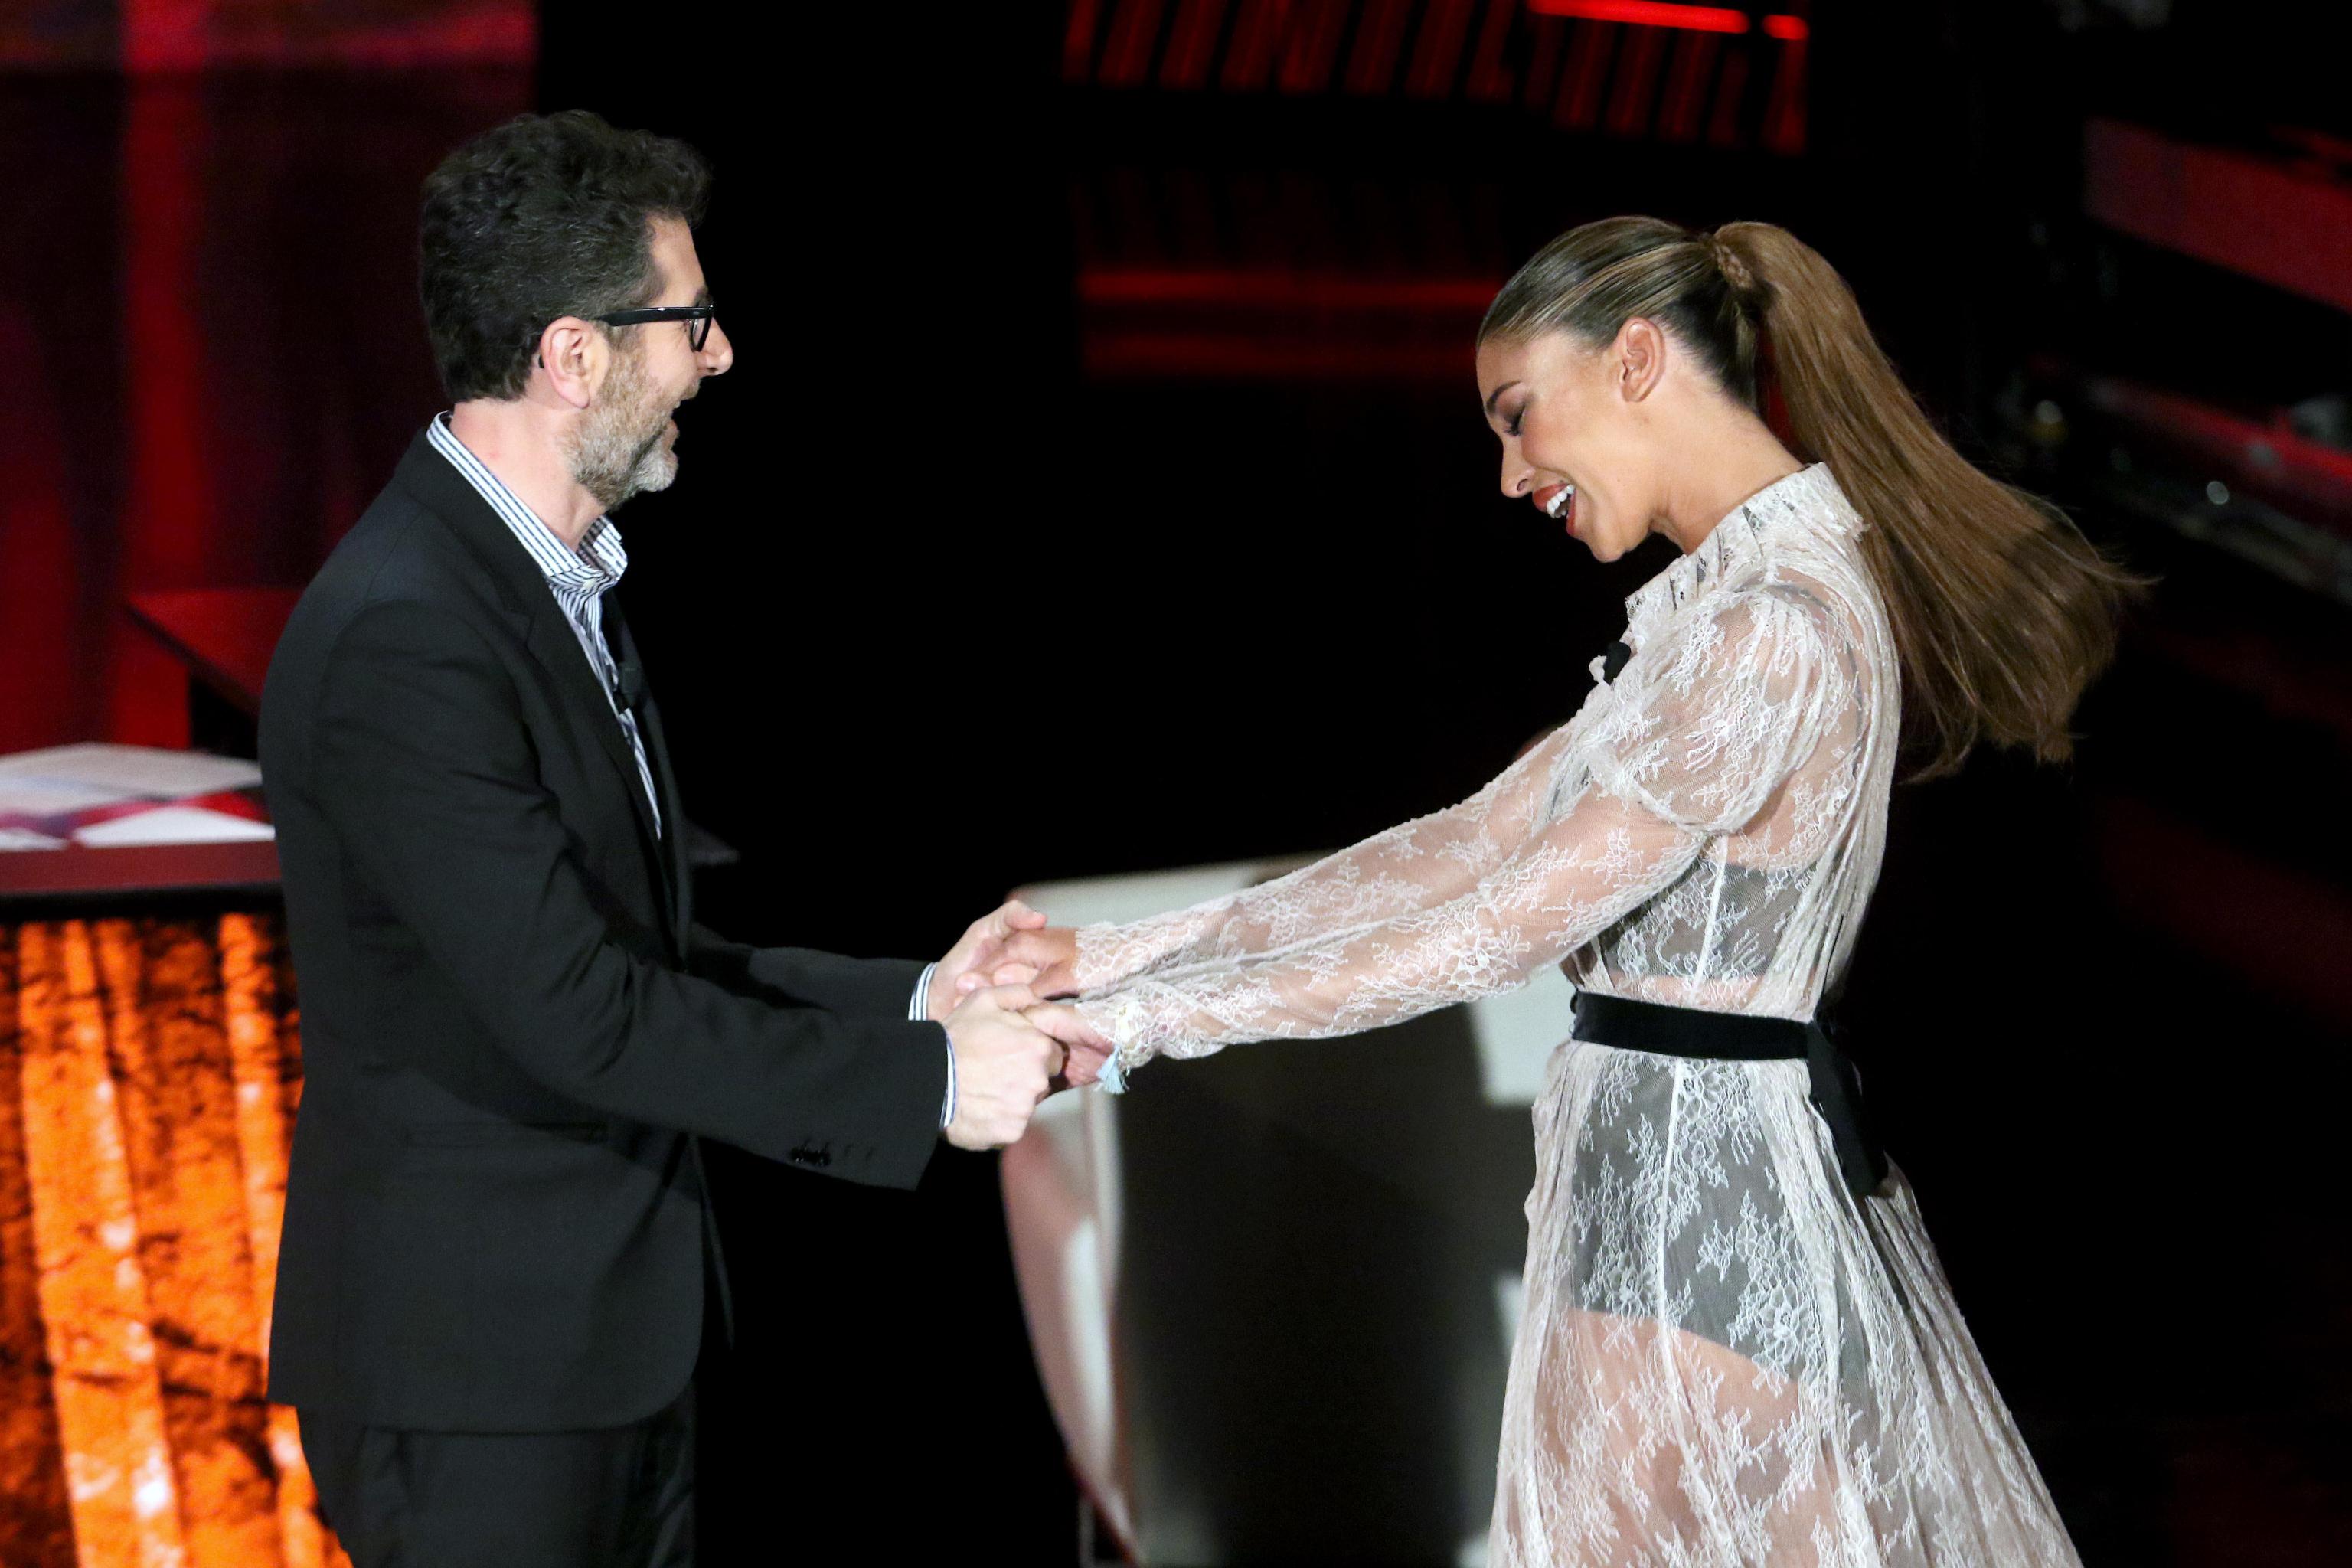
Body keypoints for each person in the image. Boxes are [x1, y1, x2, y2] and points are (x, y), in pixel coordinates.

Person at [987, 217, 2132, 1564]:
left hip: (1699, 1220)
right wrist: (1115, 957)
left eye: (1519, 414)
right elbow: (1465, 847)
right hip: (1666, 1198)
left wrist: (1138, 1023)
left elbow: (1496, 926)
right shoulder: (1728, 609)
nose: (1510, 471)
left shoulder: (1772, 630)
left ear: (1635, 359)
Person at [260, 111, 1081, 1567]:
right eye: (690, 322)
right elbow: (580, 1010)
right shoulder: (408, 630)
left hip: (601, 1357)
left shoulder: (543, 585)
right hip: (479, 1382)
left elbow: (644, 952)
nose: (720, 356)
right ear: (575, 357)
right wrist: (932, 1081)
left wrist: (917, 998)